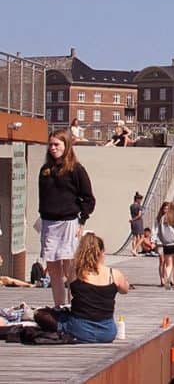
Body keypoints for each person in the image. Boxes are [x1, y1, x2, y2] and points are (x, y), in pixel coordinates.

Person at [38, 129, 95, 306]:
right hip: (49, 222)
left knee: (70, 268)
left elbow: (88, 198)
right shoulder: (45, 170)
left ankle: (73, 306)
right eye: (51, 145)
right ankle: (59, 306)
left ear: (66, 146)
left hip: (69, 221)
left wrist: (82, 220)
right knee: (54, 270)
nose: (53, 148)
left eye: (57, 144)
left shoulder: (76, 169)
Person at [57, 232, 130, 343]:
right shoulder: (114, 274)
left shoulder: (76, 271)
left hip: (80, 329)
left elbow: (70, 297)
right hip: (107, 332)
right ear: (101, 252)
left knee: (53, 316)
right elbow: (125, 290)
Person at [154, 201, 170, 285]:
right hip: (160, 241)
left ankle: (167, 278)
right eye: (165, 208)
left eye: (168, 209)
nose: (166, 210)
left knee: (168, 261)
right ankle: (162, 279)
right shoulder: (159, 218)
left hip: (169, 242)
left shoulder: (171, 218)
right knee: (162, 260)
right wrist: (153, 241)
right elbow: (155, 230)